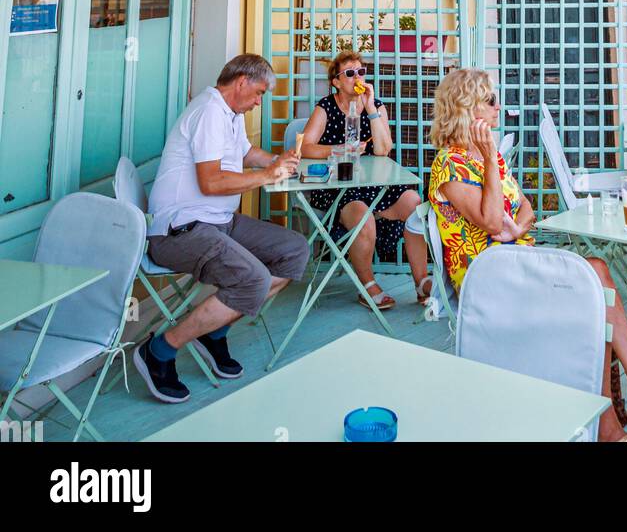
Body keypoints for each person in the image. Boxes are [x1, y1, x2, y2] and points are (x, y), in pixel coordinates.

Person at [429, 69, 627, 442]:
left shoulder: (484, 156)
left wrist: (516, 228)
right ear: (465, 108)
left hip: (518, 264)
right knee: (593, 286)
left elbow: (525, 208)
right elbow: (493, 220)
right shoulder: (450, 164)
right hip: (488, 282)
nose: (498, 107)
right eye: (490, 101)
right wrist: (493, 169)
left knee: (597, 275)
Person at [134, 54, 310, 403]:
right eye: (259, 92)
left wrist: (276, 161)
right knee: (254, 279)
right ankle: (160, 350)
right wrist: (265, 177)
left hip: (218, 223)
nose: (260, 101)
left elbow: (244, 152)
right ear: (241, 81)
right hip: (179, 231)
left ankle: (214, 329)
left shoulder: (230, 113)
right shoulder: (209, 112)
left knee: (294, 250)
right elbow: (211, 183)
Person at [301, 49, 430, 310]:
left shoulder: (376, 106)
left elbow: (383, 149)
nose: (357, 77)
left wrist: (370, 107)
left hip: (375, 184)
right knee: (363, 218)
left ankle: (421, 282)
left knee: (415, 204)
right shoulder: (326, 107)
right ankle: (367, 284)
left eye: (361, 72)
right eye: (350, 73)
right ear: (336, 81)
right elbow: (305, 148)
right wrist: (338, 150)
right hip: (340, 186)